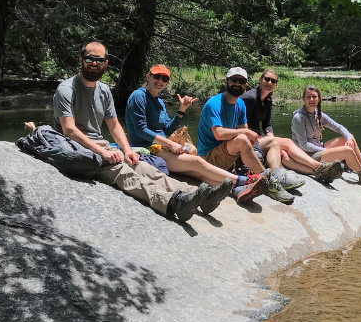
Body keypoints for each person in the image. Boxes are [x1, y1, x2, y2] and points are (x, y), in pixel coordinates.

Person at [53, 41, 231, 222]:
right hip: (76, 147)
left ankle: (200, 196)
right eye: (89, 58)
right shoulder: (67, 89)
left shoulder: (104, 90)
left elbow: (114, 125)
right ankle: (174, 202)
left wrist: (127, 151)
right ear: (81, 60)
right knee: (124, 173)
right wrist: (103, 152)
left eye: (99, 60)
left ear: (106, 63)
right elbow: (69, 130)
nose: (94, 63)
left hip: (101, 145)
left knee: (146, 169)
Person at [124, 64, 268, 203]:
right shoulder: (138, 96)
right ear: (148, 76)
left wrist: (181, 110)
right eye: (157, 76)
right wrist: (169, 143)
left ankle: (236, 189)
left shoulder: (160, 102)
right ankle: (243, 182)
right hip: (148, 148)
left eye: (165, 78)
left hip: (162, 146)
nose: (160, 81)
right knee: (198, 162)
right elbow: (140, 130)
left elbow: (167, 130)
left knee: (199, 173)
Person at [196, 67, 297, 204]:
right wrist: (245, 133)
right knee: (243, 138)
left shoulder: (240, 104)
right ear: (226, 81)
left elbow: (248, 135)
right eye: (234, 80)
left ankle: (276, 176)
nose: (237, 83)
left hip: (228, 151)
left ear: (245, 85)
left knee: (272, 142)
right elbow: (219, 134)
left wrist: (253, 147)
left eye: (241, 81)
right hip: (209, 157)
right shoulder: (214, 104)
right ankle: (270, 185)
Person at [241, 69, 343, 184]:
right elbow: (242, 126)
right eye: (267, 79)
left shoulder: (268, 100)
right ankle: (319, 166)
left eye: (273, 81)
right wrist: (270, 141)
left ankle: (316, 173)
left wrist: (271, 138)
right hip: (248, 138)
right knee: (288, 142)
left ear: (276, 84)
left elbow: (267, 125)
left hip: (258, 137)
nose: (269, 83)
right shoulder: (250, 98)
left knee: (284, 155)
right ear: (260, 79)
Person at [291, 85, 361, 187]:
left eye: (314, 97)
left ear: (319, 99)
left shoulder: (318, 115)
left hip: (319, 149)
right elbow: (304, 145)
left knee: (350, 137)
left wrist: (348, 139)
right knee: (347, 151)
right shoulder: (298, 118)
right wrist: (325, 150)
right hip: (307, 155)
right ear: (303, 99)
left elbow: (339, 127)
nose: (311, 99)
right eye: (308, 97)